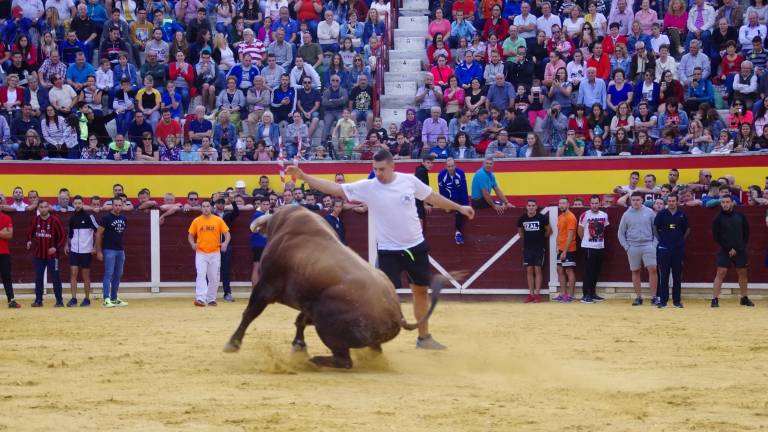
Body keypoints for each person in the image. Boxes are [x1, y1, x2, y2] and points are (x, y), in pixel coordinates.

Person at [285, 150, 475, 350]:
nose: (378, 173)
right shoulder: (369, 187)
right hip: (388, 252)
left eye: (382, 169)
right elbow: (336, 189)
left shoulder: (409, 181)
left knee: (420, 293)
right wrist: (304, 177)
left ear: (392, 166)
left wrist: (459, 208)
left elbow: (433, 197)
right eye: (375, 169)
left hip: (415, 246)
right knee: (379, 298)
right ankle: (373, 341)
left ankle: (424, 337)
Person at [711, 194, 753, 308]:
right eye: (723, 202)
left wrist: (738, 247)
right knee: (721, 272)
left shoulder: (740, 216)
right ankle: (714, 299)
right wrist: (729, 249)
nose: (725, 204)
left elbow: (746, 233)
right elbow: (716, 237)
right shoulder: (718, 218)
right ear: (721, 204)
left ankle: (744, 297)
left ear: (732, 203)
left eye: (727, 202)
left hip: (740, 249)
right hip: (725, 250)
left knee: (742, 272)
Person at [618, 192, 659, 306]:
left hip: (648, 245)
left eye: (638, 200)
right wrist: (627, 247)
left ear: (642, 200)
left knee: (653, 269)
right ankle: (638, 297)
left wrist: (654, 244)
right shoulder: (626, 215)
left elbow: (656, 230)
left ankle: (654, 297)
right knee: (635, 271)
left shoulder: (649, 212)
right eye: (633, 200)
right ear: (631, 201)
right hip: (633, 246)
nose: (635, 202)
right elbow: (621, 233)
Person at [188, 200, 231, 307]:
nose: (206, 208)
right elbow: (190, 235)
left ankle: (211, 298)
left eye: (208, 206)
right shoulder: (196, 221)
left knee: (214, 277)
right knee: (201, 274)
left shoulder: (218, 220)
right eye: (203, 206)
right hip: (201, 252)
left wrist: (225, 243)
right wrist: (192, 243)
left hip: (215, 252)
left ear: (211, 208)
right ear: (201, 208)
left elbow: (227, 234)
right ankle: (200, 298)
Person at [26, 200, 66, 307]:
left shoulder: (55, 220)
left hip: (53, 256)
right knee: (38, 277)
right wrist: (29, 240)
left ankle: (59, 301)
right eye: (41, 207)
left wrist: (55, 247)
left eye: (45, 207)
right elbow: (30, 232)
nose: (43, 209)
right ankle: (38, 300)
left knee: (56, 277)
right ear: (38, 209)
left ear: (48, 208)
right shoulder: (35, 220)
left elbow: (62, 236)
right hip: (39, 255)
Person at [654, 194, 690, 309]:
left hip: (677, 249)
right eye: (669, 201)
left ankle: (677, 301)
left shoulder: (682, 215)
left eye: (673, 201)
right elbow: (655, 228)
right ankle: (663, 301)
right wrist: (661, 239)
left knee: (677, 276)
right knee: (664, 275)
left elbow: (687, 229)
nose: (671, 203)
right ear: (667, 202)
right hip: (664, 248)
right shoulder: (661, 214)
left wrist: (680, 240)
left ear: (677, 202)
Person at [65, 195, 99, 307]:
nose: (78, 205)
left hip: (86, 250)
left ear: (83, 204)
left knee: (85, 275)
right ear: (73, 204)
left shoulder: (89, 216)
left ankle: (87, 298)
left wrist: (95, 247)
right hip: (74, 250)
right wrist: (66, 245)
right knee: (73, 273)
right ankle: (74, 298)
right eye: (76, 203)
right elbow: (70, 234)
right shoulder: (72, 218)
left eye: (79, 203)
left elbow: (98, 231)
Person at [96, 196, 128, 308]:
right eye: (116, 205)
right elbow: (98, 234)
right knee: (109, 273)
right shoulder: (106, 218)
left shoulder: (124, 218)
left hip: (120, 250)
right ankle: (106, 298)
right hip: (109, 249)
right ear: (112, 205)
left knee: (118, 274)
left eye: (120, 205)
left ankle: (114, 298)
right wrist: (99, 250)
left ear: (122, 206)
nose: (118, 207)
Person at [517, 199, 552, 303]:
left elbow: (549, 231)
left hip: (539, 248)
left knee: (537, 269)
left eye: (533, 205)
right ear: (526, 207)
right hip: (527, 248)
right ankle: (531, 294)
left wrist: (540, 238)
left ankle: (537, 295)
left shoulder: (542, 218)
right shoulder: (522, 218)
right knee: (529, 270)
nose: (531, 207)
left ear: (536, 207)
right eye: (529, 205)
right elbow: (520, 232)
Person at [578, 195, 609, 304]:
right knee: (588, 272)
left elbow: (604, 228)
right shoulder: (585, 215)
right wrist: (586, 241)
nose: (594, 205)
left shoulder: (604, 215)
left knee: (596, 271)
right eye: (592, 203)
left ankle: (592, 293)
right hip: (588, 247)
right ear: (590, 204)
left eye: (596, 203)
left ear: (600, 203)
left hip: (600, 246)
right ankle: (586, 295)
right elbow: (580, 231)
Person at [437, 158, 470, 245]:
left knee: (460, 209)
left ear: (455, 166)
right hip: (448, 200)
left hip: (459, 200)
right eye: (448, 166)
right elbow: (442, 191)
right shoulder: (441, 175)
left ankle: (458, 233)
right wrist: (445, 205)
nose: (450, 168)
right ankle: (458, 232)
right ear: (446, 166)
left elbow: (464, 190)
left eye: (452, 166)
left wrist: (466, 204)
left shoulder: (461, 173)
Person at [213, 194, 239, 302]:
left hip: (225, 245)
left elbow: (237, 212)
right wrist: (212, 200)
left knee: (225, 270)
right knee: (210, 270)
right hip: (212, 246)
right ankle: (208, 293)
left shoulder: (227, 215)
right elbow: (204, 208)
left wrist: (233, 202)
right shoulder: (211, 214)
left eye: (222, 202)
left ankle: (227, 292)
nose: (220, 204)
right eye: (218, 202)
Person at [556, 197, 578, 303]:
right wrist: (557, 246)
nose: (561, 205)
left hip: (569, 248)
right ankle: (563, 294)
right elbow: (560, 232)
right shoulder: (560, 217)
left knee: (569, 270)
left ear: (568, 204)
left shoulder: (571, 217)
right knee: (559, 269)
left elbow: (570, 235)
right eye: (560, 203)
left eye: (564, 203)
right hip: (561, 248)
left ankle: (571, 295)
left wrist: (564, 251)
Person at [0, 210, 20, 308]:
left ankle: (11, 300)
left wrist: (6, 233)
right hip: (4, 252)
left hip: (4, 252)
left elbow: (9, 235)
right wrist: (2, 232)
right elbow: (5, 234)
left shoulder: (6, 217)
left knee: (7, 277)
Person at [414, 154, 434, 225]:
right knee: (420, 218)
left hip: (417, 198)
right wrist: (425, 204)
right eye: (428, 163)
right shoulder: (422, 171)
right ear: (423, 163)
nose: (430, 165)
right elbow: (422, 189)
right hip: (418, 199)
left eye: (431, 163)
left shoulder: (421, 169)